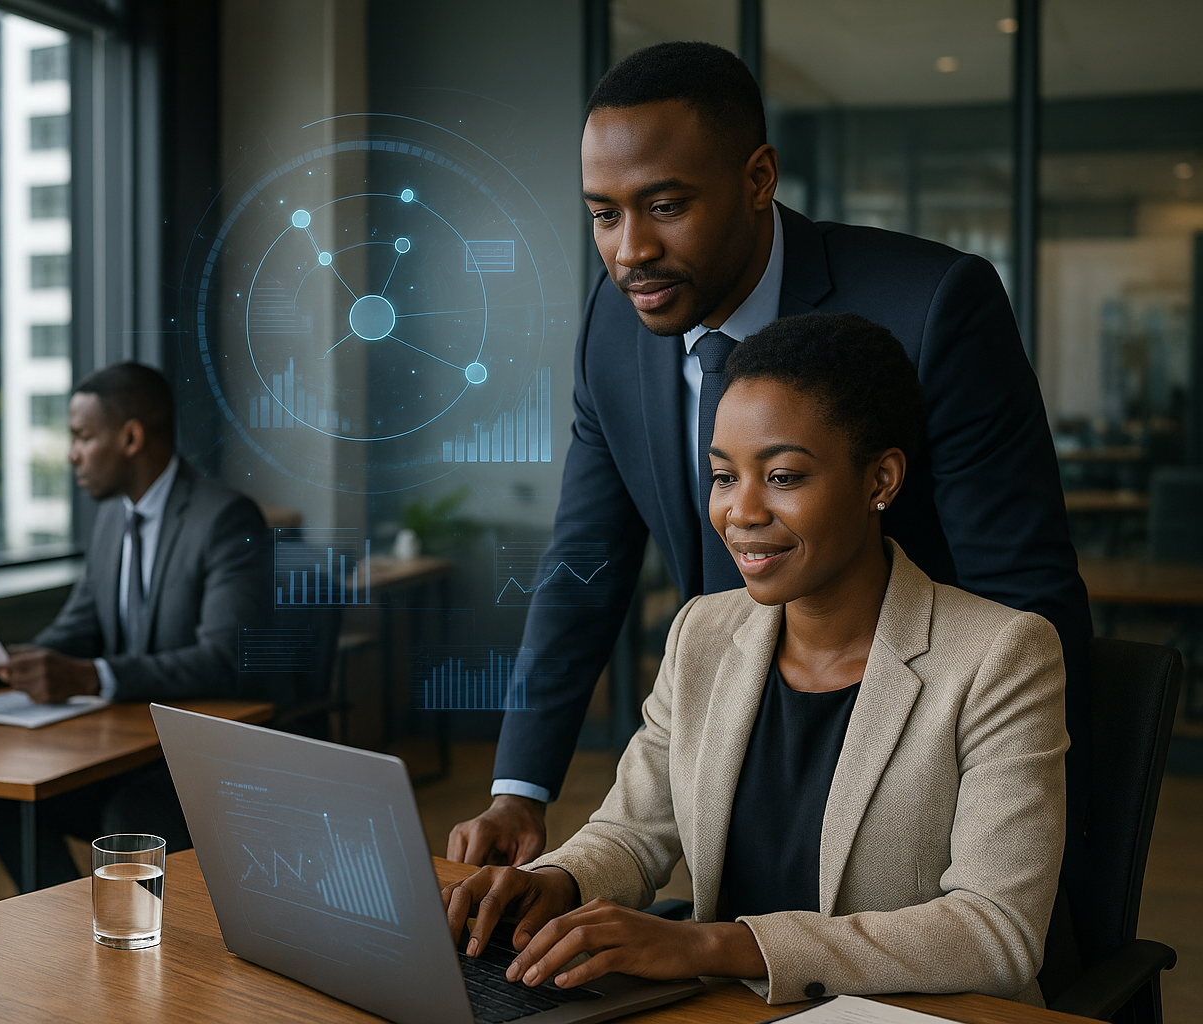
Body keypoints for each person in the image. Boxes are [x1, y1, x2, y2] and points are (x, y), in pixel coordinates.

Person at [449, 40, 1090, 868]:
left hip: (915, 770)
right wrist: (519, 792)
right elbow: (584, 560)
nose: (630, 251)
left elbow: (1024, 592)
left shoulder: (934, 308)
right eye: (604, 214)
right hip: (721, 765)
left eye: (666, 205)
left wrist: (1033, 837)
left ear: (758, 179)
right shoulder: (612, 330)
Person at [443, 312, 1068, 1006]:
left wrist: (709, 945)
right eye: (722, 475)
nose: (740, 511)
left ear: (879, 480)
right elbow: (631, 832)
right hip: (727, 1011)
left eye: (783, 476)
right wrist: (553, 882)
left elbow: (996, 932)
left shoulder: (1001, 656)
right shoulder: (703, 632)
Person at [0, 362, 272, 888]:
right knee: (3, 795)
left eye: (83, 436)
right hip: (119, 745)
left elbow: (223, 659)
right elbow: (78, 624)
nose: (71, 453)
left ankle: (133, 947)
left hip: (194, 759)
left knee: (132, 817)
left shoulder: (226, 519)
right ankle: (69, 934)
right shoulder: (113, 519)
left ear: (132, 437)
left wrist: (93, 677)